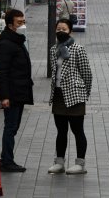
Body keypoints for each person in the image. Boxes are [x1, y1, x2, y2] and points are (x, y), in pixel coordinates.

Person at [47, 18, 92, 175]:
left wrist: (84, 92)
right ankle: (59, 162)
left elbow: (87, 73)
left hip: (75, 95)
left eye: (64, 29)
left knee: (77, 129)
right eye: (58, 28)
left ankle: (80, 163)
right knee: (61, 130)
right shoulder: (54, 49)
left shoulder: (78, 49)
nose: (61, 31)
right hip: (59, 94)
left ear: (70, 31)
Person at [0, 9, 33, 173]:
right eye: (19, 23)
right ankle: (7, 160)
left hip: (19, 91)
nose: (22, 25)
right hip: (12, 93)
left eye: (23, 22)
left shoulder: (17, 40)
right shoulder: (6, 44)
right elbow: (2, 72)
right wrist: (4, 96)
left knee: (14, 126)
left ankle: (7, 158)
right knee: (11, 127)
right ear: (11, 25)